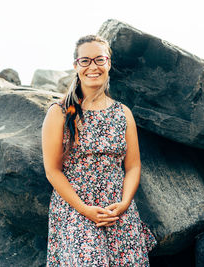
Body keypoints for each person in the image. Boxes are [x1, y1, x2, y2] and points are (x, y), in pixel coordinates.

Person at [41, 35, 157, 266]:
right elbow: (52, 171)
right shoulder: (60, 112)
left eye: (99, 60)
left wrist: (124, 204)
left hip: (117, 209)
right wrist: (85, 209)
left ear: (108, 64)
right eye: (85, 61)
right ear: (76, 66)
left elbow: (133, 166)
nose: (92, 66)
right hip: (75, 209)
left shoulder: (123, 114)